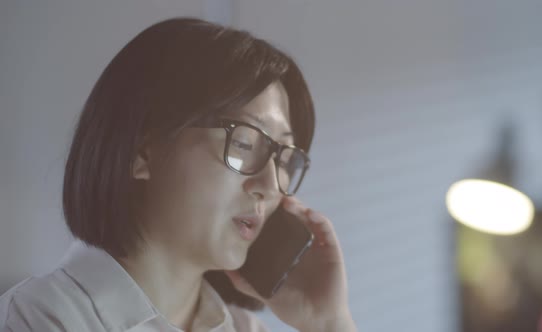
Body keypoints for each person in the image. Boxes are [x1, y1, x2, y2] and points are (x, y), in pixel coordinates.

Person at [0, 17, 357, 332]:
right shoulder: (40, 318)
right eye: (245, 143)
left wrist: (329, 325)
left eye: (282, 158)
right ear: (143, 151)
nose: (268, 186)